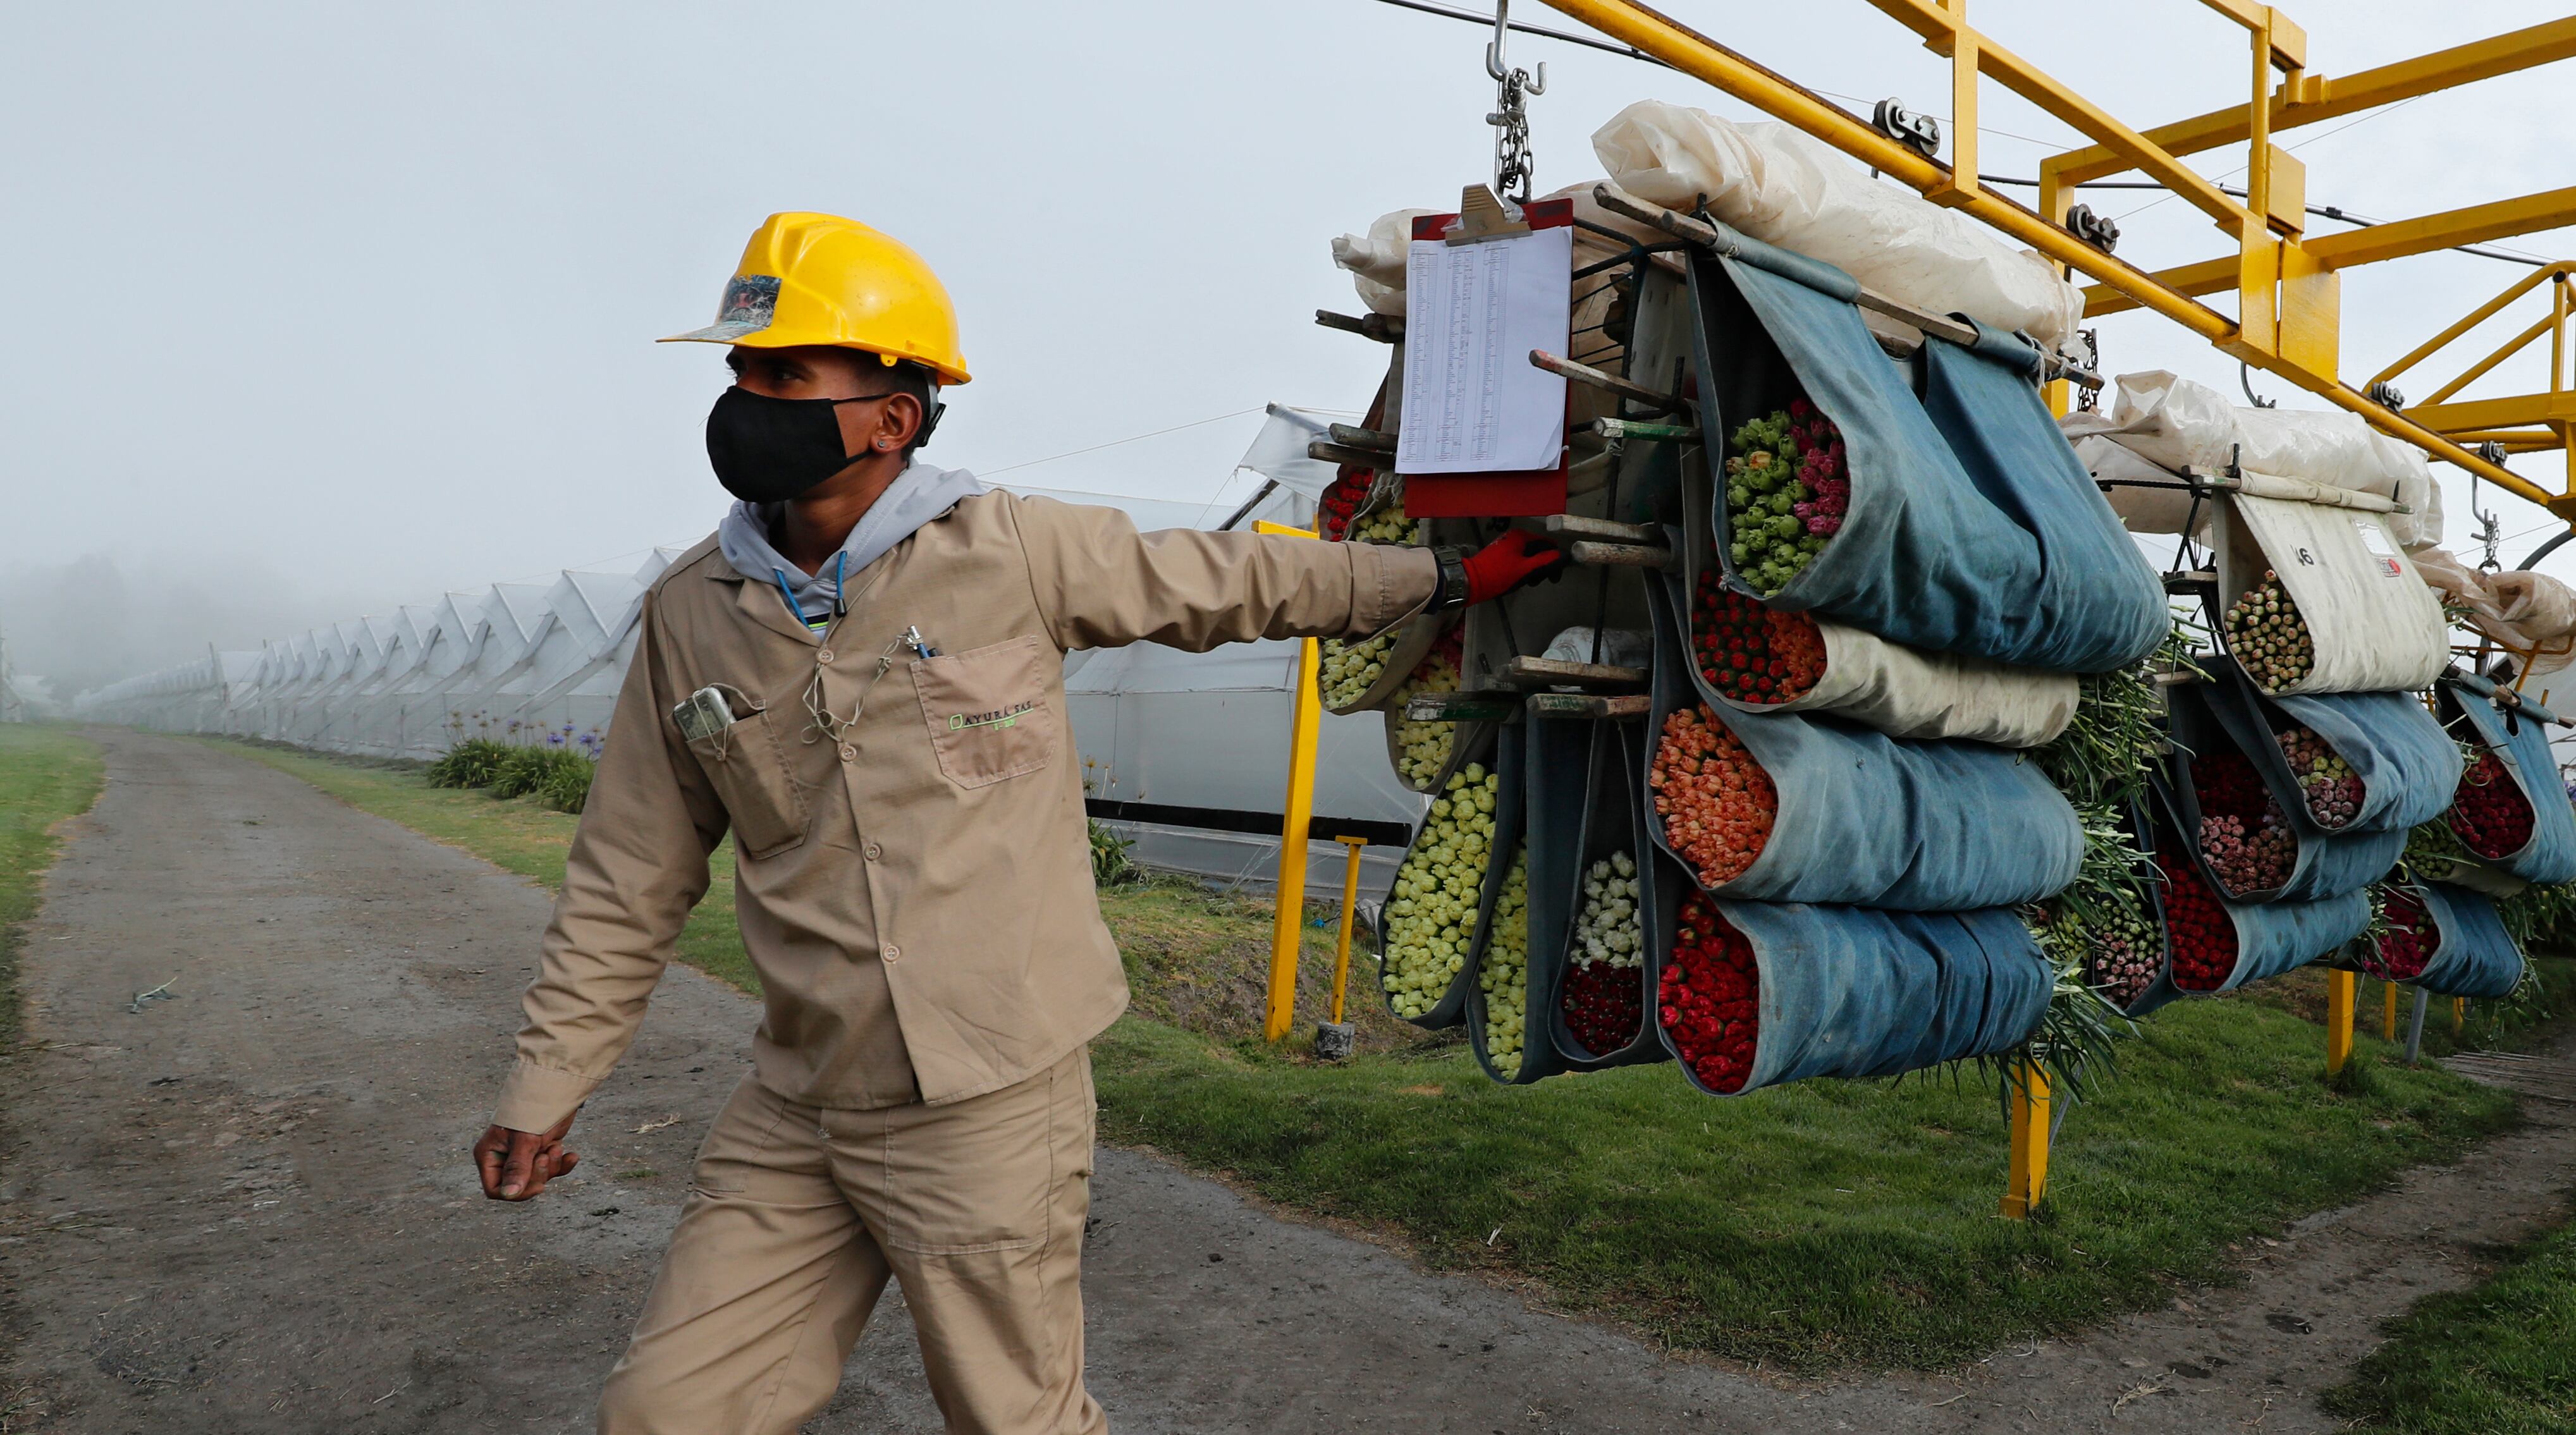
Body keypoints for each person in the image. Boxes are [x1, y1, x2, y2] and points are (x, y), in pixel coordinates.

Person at [468, 211, 1564, 1435]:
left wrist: (1446, 579)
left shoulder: (1010, 552)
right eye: (740, 374)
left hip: (987, 1098)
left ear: (893, 415)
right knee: (667, 1413)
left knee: (1013, 1417)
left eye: (783, 377)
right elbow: (627, 874)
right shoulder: (693, 611)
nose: (743, 403)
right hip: (799, 1099)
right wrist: (544, 1084)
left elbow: (1238, 580)